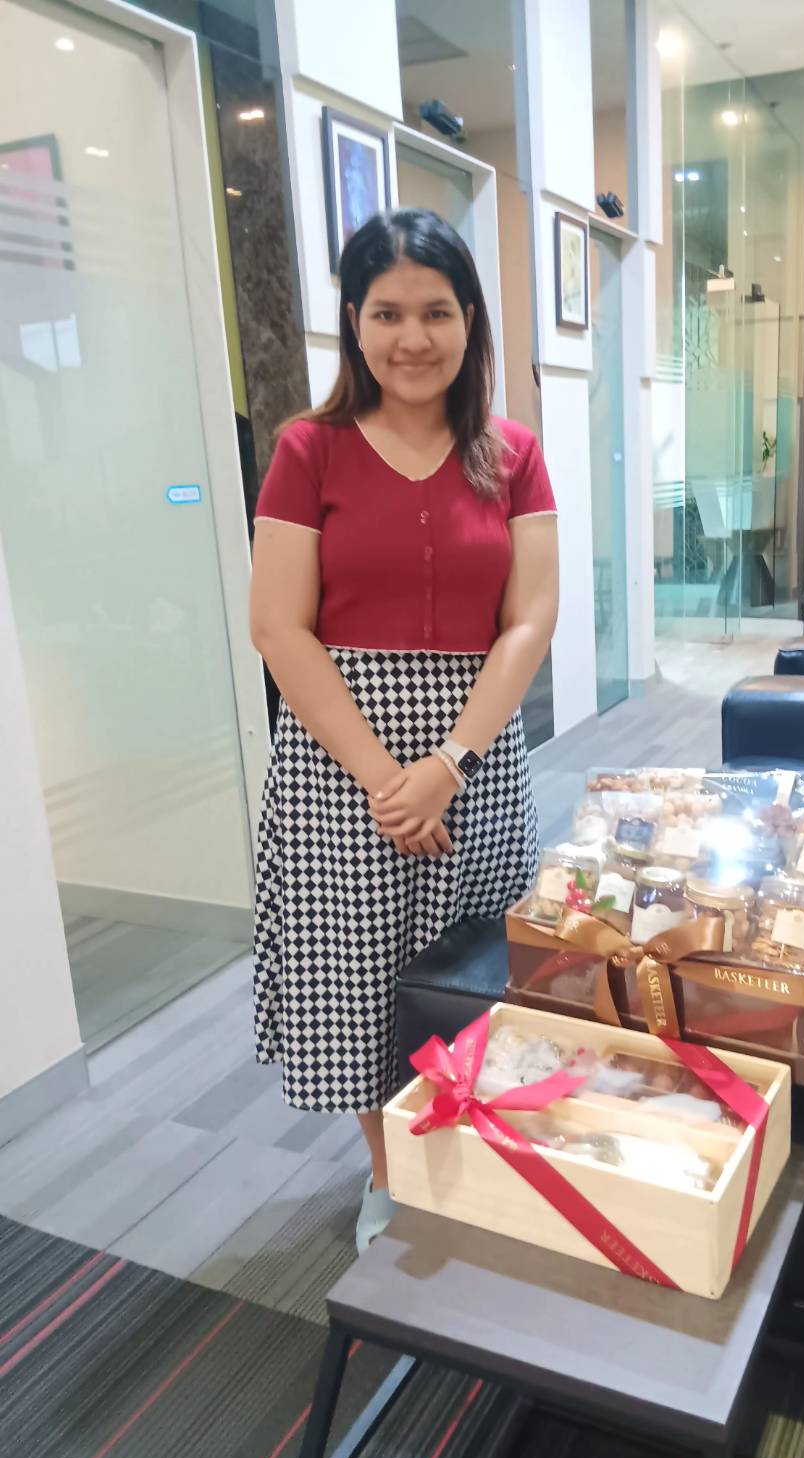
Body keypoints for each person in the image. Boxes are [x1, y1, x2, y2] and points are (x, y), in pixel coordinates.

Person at [249, 208, 559, 1248]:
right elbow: (279, 629)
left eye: (435, 310)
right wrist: (390, 776)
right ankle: (391, 1172)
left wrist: (449, 763)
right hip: (343, 759)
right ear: (353, 321)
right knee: (360, 979)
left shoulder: (511, 453)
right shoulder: (309, 449)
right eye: (387, 312)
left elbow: (529, 618)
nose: (412, 337)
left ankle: (468, 1143)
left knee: (471, 963)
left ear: (469, 319)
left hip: (475, 748)